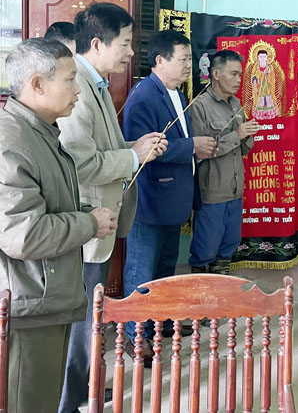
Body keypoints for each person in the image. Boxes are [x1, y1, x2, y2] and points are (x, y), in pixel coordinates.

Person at [55, 2, 167, 413]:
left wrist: (135, 148)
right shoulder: (78, 89)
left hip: (101, 223)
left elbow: (105, 148)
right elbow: (81, 163)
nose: (131, 52)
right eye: (125, 43)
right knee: (79, 323)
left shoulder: (96, 83)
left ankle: (85, 388)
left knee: (91, 319)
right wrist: (134, 156)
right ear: (98, 44)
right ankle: (68, 401)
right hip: (86, 226)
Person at [0, 38, 118, 413]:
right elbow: (23, 234)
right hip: (28, 304)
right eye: (69, 80)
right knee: (28, 402)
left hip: (47, 295)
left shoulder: (40, 132)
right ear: (37, 84)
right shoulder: (11, 142)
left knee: (45, 397)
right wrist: (88, 223)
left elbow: (48, 202)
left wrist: (83, 212)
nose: (78, 90)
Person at [122, 30, 216, 364]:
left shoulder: (176, 92)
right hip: (150, 200)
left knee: (163, 269)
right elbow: (142, 148)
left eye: (190, 59)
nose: (190, 65)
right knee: (142, 271)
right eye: (183, 59)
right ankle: (135, 336)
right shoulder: (144, 96)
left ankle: (158, 323)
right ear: (160, 60)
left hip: (173, 199)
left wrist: (193, 146)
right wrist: (192, 146)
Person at [189, 50, 259, 273]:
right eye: (234, 74)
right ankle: (200, 290)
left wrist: (247, 136)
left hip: (235, 189)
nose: (239, 80)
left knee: (227, 251)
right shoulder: (200, 106)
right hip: (213, 191)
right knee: (205, 251)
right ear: (216, 74)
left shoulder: (236, 104)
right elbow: (200, 150)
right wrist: (237, 135)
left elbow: (243, 149)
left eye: (240, 75)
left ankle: (222, 286)